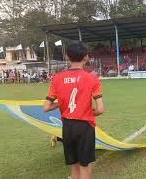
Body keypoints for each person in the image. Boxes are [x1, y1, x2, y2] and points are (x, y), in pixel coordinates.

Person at [43, 41, 104, 179]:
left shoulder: (57, 79)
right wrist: (86, 112)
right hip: (84, 127)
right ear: (86, 57)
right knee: (85, 166)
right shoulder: (92, 78)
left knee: (74, 166)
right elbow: (100, 109)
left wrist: (62, 103)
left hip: (67, 127)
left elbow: (46, 107)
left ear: (67, 56)